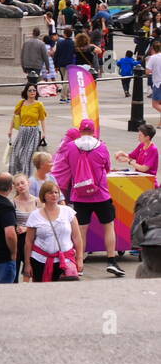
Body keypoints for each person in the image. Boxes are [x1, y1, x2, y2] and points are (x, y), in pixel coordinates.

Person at [54, 118, 125, 276]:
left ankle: (79, 263)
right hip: (101, 194)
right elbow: (107, 168)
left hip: (79, 195)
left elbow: (67, 165)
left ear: (80, 131)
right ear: (94, 131)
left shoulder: (71, 147)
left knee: (80, 231)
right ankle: (111, 261)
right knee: (108, 226)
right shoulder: (102, 147)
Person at [24, 180, 84, 282]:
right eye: (50, 192)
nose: (54, 195)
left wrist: (79, 258)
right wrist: (27, 264)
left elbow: (77, 238)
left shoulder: (68, 212)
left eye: (56, 192)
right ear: (44, 195)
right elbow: (28, 242)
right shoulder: (34, 215)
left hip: (66, 260)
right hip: (40, 260)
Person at [7, 83, 47, 178]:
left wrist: (44, 132)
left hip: (33, 132)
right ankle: (14, 175)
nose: (32, 92)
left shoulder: (39, 105)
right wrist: (10, 130)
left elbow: (42, 119)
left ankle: (25, 177)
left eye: (34, 90)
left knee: (27, 156)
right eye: (30, 90)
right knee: (15, 153)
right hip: (22, 130)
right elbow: (15, 116)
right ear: (26, 92)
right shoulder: (21, 103)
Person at [12, 173, 39, 280]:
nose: (21, 186)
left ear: (28, 183)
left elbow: (43, 222)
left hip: (35, 238)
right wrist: (16, 227)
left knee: (32, 269)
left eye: (23, 183)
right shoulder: (13, 202)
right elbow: (10, 222)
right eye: (17, 184)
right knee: (15, 268)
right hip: (19, 239)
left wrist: (27, 228)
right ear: (15, 188)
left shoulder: (38, 201)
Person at [52, 27, 76, 102]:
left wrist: (55, 65)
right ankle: (65, 96)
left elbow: (56, 54)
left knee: (65, 80)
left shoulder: (60, 43)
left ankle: (65, 96)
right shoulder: (73, 43)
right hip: (70, 63)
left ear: (64, 34)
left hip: (61, 63)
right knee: (67, 80)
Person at [148, 39, 161, 121]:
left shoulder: (152, 58)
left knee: (155, 104)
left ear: (153, 49)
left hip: (158, 83)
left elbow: (147, 71)